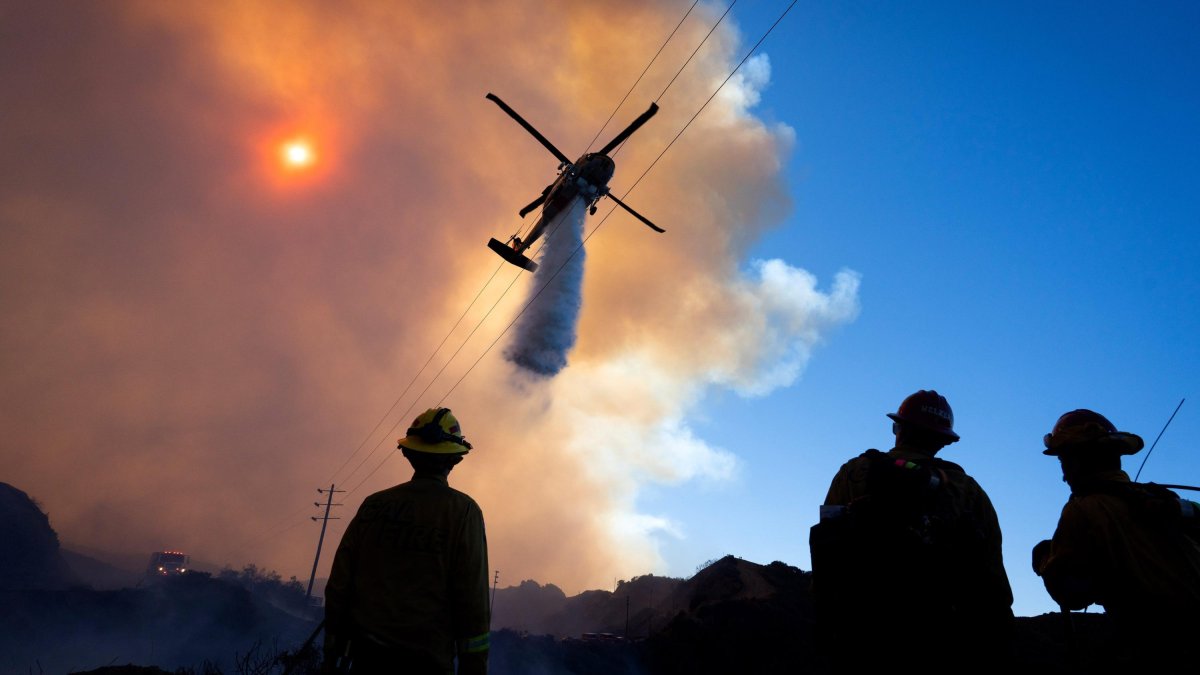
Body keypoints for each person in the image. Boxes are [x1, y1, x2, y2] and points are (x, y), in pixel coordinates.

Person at [810, 390, 1014, 674]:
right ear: (943, 441)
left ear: (898, 428)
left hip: (860, 632)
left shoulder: (855, 471)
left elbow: (827, 545)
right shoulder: (968, 491)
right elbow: (992, 577)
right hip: (939, 640)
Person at [324, 407, 490, 675]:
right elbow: (473, 603)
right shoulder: (463, 512)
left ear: (408, 453)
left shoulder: (374, 505)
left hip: (366, 662)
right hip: (428, 665)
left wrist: (332, 655)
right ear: (455, 459)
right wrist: (474, 668)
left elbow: (339, 585)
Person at [1033, 409, 1200, 670]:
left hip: (1161, 648)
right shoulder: (1161, 500)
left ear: (1077, 461)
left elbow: (1071, 594)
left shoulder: (1084, 510)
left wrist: (1045, 560)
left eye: (1064, 460)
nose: (1064, 474)